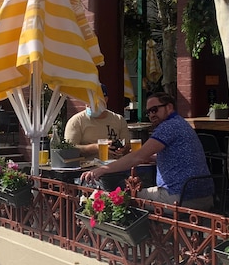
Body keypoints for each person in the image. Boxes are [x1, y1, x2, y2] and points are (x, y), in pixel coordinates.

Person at [80, 92, 212, 208]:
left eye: (154, 110)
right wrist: (151, 157)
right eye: (148, 112)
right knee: (128, 194)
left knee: (118, 198)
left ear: (169, 107)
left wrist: (101, 170)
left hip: (178, 196)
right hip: (203, 195)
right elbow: (176, 158)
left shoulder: (168, 127)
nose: (151, 115)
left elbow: (138, 157)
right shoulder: (181, 123)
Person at [64, 86, 130, 159]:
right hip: (88, 167)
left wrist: (123, 149)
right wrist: (95, 148)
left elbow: (127, 146)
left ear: (105, 100)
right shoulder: (76, 121)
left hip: (115, 166)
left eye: (94, 100)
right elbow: (69, 149)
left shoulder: (118, 120)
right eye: (87, 99)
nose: (89, 104)